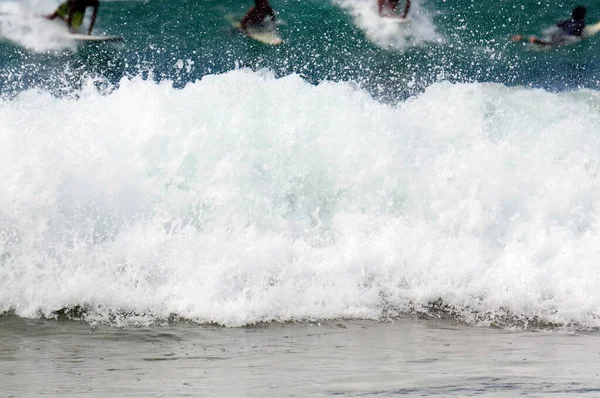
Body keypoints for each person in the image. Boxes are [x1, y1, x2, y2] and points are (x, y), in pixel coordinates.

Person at [512, 5, 586, 46]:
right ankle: (534, 41)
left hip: (556, 32)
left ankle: (523, 38)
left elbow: (556, 27)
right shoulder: (580, 24)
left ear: (573, 14)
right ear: (582, 16)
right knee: (550, 43)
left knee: (549, 40)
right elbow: (578, 34)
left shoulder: (567, 21)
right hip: (567, 36)